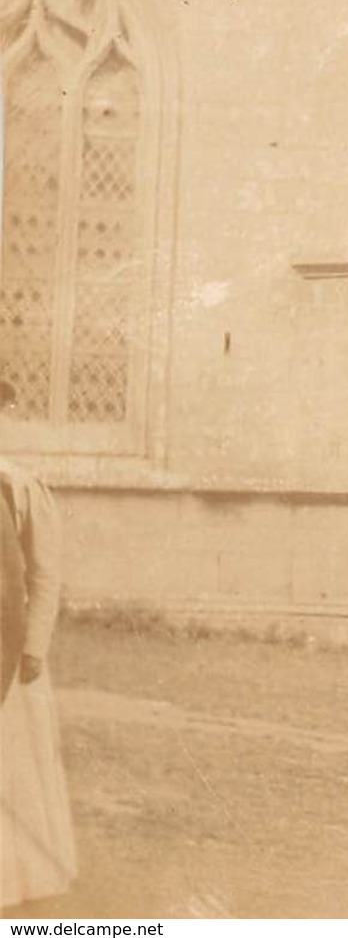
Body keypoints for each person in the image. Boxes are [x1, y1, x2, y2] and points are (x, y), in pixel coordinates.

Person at [1, 380, 78, 907]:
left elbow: (46, 576)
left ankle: (16, 876)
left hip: (9, 654)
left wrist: (34, 647)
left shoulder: (21, 486)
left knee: (14, 767)